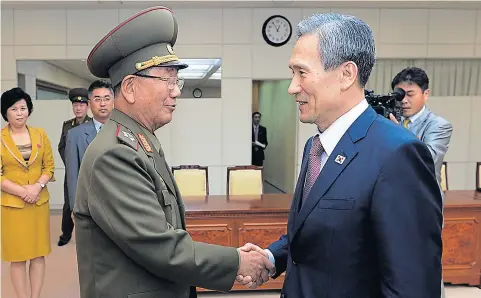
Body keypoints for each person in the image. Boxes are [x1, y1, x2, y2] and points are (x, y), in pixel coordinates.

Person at [237, 13, 443, 297]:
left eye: (302, 72)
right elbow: (318, 231)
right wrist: (271, 258)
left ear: (346, 74)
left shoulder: (398, 155)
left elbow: (412, 286)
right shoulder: (315, 146)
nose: (292, 86)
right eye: (292, 73)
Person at [73, 6, 273, 298]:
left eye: (175, 81)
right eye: (167, 80)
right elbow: (159, 246)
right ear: (129, 87)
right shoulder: (114, 155)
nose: (176, 90)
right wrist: (238, 261)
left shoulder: (140, 140)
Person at [389, 66, 453, 298]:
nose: (403, 100)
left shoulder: (438, 125)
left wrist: (396, 133)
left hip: (421, 209)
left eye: (410, 94)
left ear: (426, 94)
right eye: (399, 94)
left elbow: (428, 160)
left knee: (426, 266)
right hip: (390, 205)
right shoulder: (387, 120)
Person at [1, 87, 55, 298]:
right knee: (18, 256)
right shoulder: (1, 138)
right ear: (5, 112)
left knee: (38, 254)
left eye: (23, 108)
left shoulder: (40, 134)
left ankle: (35, 296)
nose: (19, 113)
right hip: (13, 206)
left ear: (29, 110)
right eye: (13, 109)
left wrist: (37, 187)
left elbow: (49, 167)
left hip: (38, 203)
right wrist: (23, 191)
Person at [65, 80, 114, 213]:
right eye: (97, 99)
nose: (102, 103)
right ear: (90, 103)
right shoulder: (75, 135)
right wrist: (75, 209)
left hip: (119, 203)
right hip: (90, 205)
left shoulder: (125, 131)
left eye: (106, 99)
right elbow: (72, 175)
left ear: (113, 102)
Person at [57, 87, 91, 246]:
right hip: (71, 172)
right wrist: (70, 163)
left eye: (82, 105)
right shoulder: (67, 126)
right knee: (69, 204)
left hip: (88, 172)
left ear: (87, 106)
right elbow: (61, 147)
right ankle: (66, 234)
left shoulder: (93, 125)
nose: (78, 108)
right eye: (75, 105)